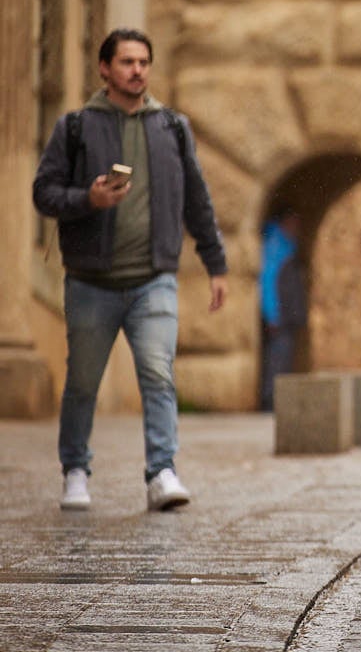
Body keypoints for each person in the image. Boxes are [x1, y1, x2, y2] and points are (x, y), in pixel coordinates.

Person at [32, 28, 228, 512]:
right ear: (105, 69)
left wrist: (215, 263)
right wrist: (88, 199)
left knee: (159, 374)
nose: (137, 70)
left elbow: (197, 201)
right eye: (126, 62)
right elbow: (44, 193)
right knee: (82, 383)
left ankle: (162, 471)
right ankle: (75, 470)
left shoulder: (172, 128)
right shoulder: (75, 127)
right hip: (91, 282)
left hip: (153, 280)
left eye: (144, 61)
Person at [260, 207, 306, 409]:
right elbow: (268, 281)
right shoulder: (276, 246)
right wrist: (272, 315)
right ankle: (270, 402)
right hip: (280, 318)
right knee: (276, 361)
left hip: (287, 316)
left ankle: (276, 401)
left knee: (283, 360)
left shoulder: (288, 246)